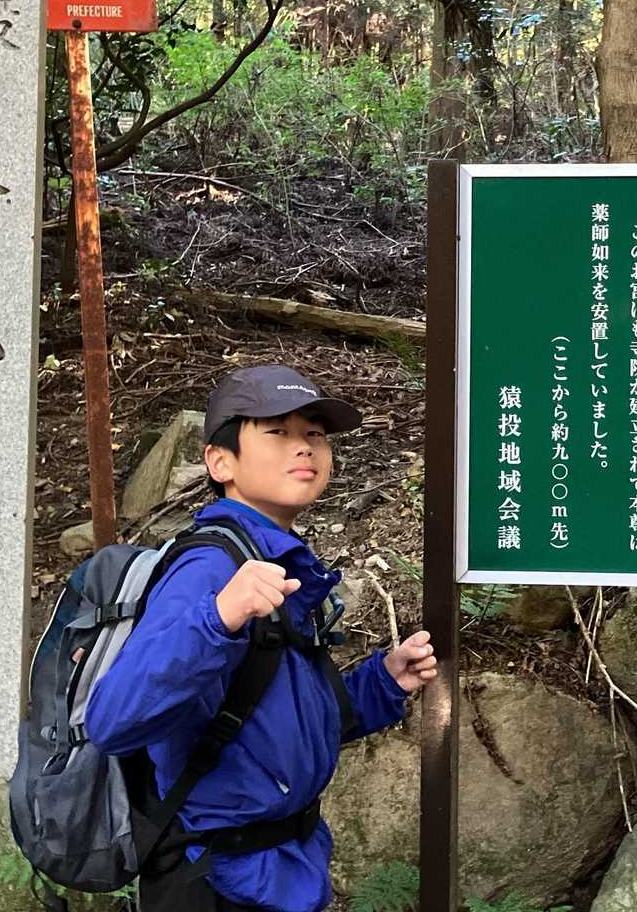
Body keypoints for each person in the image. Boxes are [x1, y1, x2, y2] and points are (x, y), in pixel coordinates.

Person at [84, 365, 436, 912]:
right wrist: (217, 618)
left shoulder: (276, 558)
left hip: (280, 868)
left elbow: (277, 721)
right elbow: (112, 721)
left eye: (314, 433)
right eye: (277, 432)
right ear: (220, 462)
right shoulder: (210, 568)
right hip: (217, 878)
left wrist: (382, 682)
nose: (304, 446)